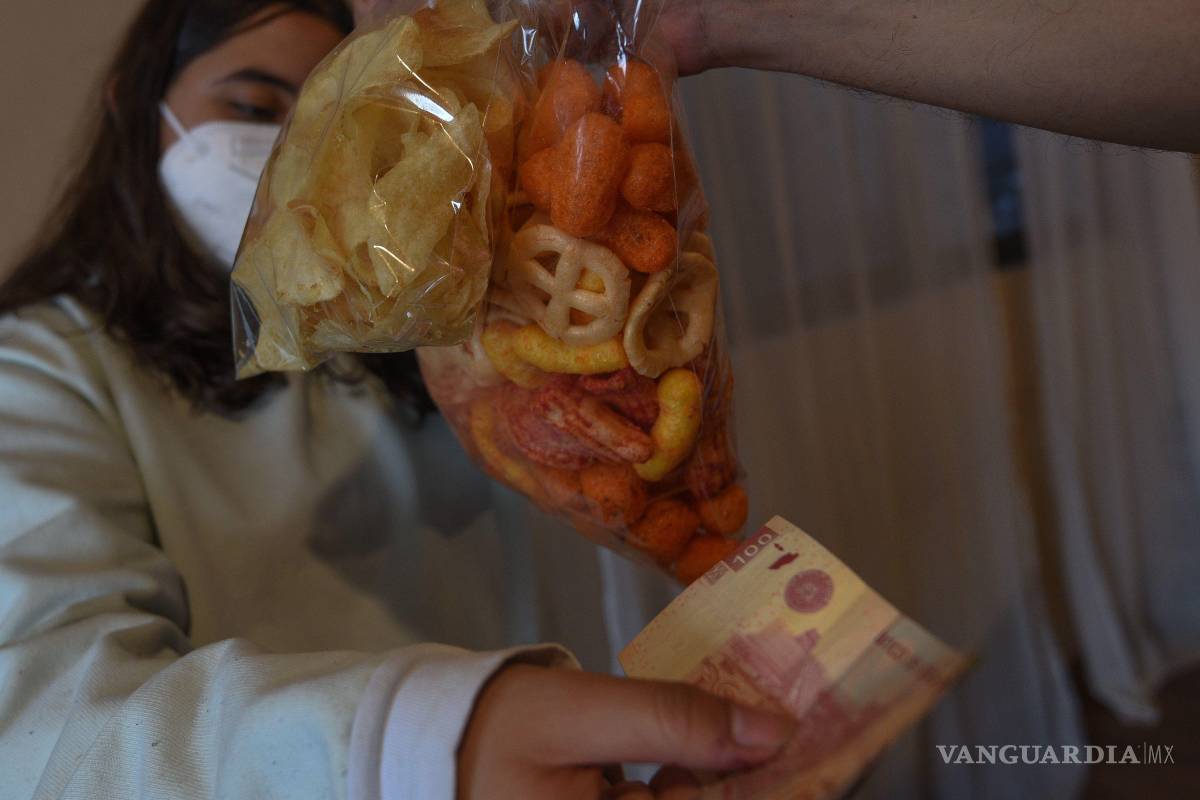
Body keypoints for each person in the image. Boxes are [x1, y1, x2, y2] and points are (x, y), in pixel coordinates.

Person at [0, 2, 794, 799]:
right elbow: (38, 719)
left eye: (350, 123)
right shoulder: (37, 373)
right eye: (251, 109)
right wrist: (417, 745)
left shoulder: (455, 354)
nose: (296, 160)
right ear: (130, 107)